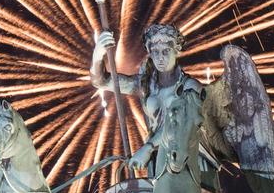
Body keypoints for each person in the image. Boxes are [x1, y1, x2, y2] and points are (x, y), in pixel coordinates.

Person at [89, 24, 211, 179]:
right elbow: (102, 82)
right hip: (157, 159)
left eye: (166, 51)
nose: (160, 57)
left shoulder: (190, 88)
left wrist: (148, 147)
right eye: (155, 51)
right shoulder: (145, 85)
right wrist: (98, 55)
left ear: (176, 50)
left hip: (189, 159)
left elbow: (179, 125)